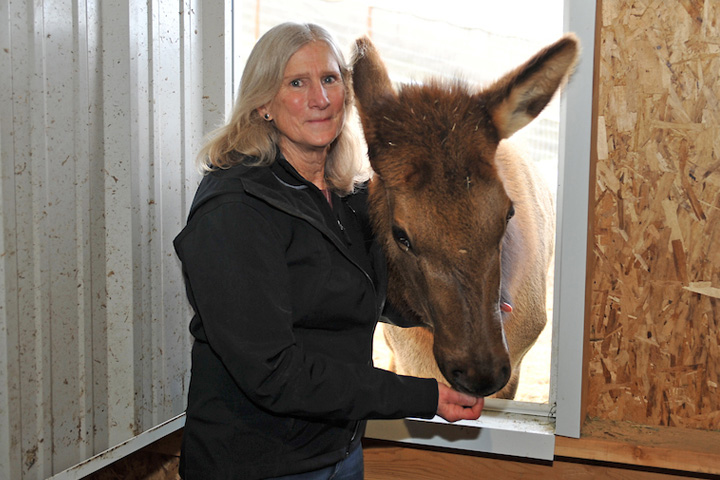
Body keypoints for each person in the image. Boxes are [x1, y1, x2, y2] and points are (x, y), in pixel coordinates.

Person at [173, 22, 484, 480]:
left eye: (330, 79)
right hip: (257, 465)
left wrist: (463, 298)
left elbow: (363, 298)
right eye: (297, 82)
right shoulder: (235, 209)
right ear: (263, 103)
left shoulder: (348, 196)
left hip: (337, 455)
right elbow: (275, 373)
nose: (320, 98)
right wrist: (425, 397)